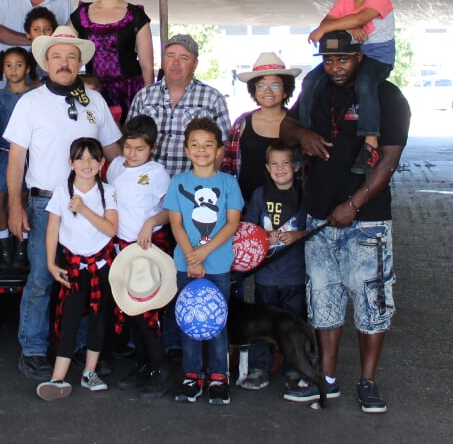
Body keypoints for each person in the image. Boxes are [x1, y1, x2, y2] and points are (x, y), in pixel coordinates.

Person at [280, 29, 410, 414]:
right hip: (320, 216)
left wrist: (353, 204)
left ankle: (368, 383)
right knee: (324, 303)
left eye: (344, 60)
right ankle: (328, 380)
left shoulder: (387, 96)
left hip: (367, 222)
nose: (336, 68)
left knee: (372, 305)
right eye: (329, 60)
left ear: (361, 57)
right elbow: (285, 126)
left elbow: (387, 161)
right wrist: (302, 133)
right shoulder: (317, 90)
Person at [4, 25, 121, 382]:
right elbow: (16, 159)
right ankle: (34, 348)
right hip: (43, 205)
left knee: (86, 280)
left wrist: (118, 199)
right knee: (41, 278)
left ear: (80, 62)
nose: (64, 62)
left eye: (71, 56)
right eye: (57, 56)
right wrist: (14, 205)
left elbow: (114, 153)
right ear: (46, 62)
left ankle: (82, 351)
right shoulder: (30, 102)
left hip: (90, 206)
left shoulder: (95, 101)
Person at [165, 117, 243, 407]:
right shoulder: (178, 182)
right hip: (186, 264)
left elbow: (232, 223)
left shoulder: (229, 183)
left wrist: (204, 253)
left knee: (217, 322)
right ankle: (191, 375)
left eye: (208, 145)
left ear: (219, 150)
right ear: (186, 150)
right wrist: (191, 257)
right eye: (195, 145)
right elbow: (176, 224)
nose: (201, 150)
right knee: (189, 321)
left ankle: (219, 377)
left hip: (218, 264)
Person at [300, 0, 396, 174]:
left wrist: (347, 24)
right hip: (352, 55)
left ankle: (370, 142)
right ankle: (304, 134)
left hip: (377, 57)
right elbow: (327, 22)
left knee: (365, 83)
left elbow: (359, 17)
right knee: (311, 81)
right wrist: (349, 27)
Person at [35, 138, 119, 400]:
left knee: (99, 317)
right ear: (70, 163)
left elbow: (110, 229)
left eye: (93, 158)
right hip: (74, 264)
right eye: (80, 158)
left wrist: (83, 209)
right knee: (69, 318)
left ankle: (89, 372)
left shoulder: (108, 191)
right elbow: (52, 229)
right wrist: (51, 262)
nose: (87, 164)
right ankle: (58, 376)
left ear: (101, 163)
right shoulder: (62, 190)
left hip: (102, 265)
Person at [105, 115, 173, 398]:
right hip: (121, 248)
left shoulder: (158, 173)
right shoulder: (116, 167)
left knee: (148, 312)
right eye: (128, 147)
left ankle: (160, 369)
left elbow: (170, 211)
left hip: (146, 248)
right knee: (129, 308)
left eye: (139, 149)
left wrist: (150, 222)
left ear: (152, 148)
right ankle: (142, 363)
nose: (131, 154)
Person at [238, 143, 308, 395]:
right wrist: (264, 235)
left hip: (295, 274)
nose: (280, 169)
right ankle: (259, 367)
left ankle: (294, 366)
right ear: (267, 168)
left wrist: (297, 234)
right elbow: (247, 228)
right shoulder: (259, 195)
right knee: (262, 322)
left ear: (296, 167)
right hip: (266, 274)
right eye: (274, 164)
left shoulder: (304, 197)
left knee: (293, 323)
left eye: (285, 163)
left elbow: (314, 229)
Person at [126, 33, 231, 177]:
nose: (176, 62)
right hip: (147, 184)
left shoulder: (213, 99)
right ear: (163, 61)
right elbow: (129, 140)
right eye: (170, 55)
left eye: (184, 58)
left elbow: (222, 146)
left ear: (195, 64)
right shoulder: (143, 96)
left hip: (191, 187)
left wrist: (205, 181)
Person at [70, 0, 153, 121]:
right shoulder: (81, 14)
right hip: (93, 90)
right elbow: (65, 47)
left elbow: (147, 65)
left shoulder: (136, 15)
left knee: (130, 141)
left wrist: (147, 100)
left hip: (129, 91)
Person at [221, 51, 302, 204]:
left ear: (285, 91)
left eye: (275, 85)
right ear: (254, 91)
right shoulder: (241, 123)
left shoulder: (298, 124)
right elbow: (228, 166)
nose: (268, 91)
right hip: (245, 205)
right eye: (261, 85)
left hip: (289, 208)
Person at [0, 46, 35, 267]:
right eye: (8, 65)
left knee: (22, 200)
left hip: (27, 157)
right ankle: (3, 245)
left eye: (19, 65)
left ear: (28, 68)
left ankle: (20, 246)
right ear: (2, 69)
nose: (14, 70)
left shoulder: (34, 95)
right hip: (4, 155)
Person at [24, 6, 58, 81]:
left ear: (53, 32)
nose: (42, 33)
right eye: (36, 29)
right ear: (28, 34)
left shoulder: (60, 59)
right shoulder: (22, 60)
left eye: (47, 29)